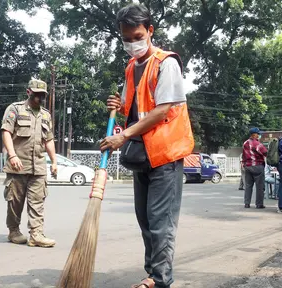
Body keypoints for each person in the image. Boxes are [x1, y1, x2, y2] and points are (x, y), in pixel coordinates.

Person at [100, 4, 194, 288]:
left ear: (150, 31)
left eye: (137, 36)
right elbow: (134, 108)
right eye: (126, 39)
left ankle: (160, 281)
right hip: (142, 155)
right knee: (146, 221)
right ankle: (152, 275)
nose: (132, 44)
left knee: (160, 222)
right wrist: (118, 106)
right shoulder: (132, 67)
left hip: (164, 155)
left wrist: (123, 136)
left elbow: (161, 110)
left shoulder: (167, 63)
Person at [1, 79, 57, 248]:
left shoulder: (46, 115)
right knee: (15, 202)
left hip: (39, 167)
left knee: (37, 201)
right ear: (28, 92)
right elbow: (6, 132)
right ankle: (14, 230)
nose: (39, 98)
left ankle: (36, 234)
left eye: (42, 95)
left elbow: (49, 140)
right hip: (18, 165)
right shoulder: (15, 109)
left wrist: (54, 161)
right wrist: (12, 156)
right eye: (36, 94)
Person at [242, 127, 268, 209]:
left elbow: (243, 155)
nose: (259, 135)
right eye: (258, 134)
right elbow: (265, 153)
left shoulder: (245, 143)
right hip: (257, 166)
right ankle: (259, 204)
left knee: (248, 186)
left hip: (248, 166)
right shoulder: (258, 144)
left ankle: (247, 203)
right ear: (254, 135)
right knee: (260, 186)